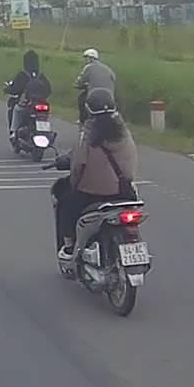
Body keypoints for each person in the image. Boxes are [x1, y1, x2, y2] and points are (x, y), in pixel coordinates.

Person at [54, 87, 139, 261]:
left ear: (88, 109)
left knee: (64, 201)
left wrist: (75, 185)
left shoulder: (87, 134)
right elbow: (131, 161)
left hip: (91, 195)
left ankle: (69, 246)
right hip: (123, 192)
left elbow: (78, 166)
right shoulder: (124, 132)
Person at [5, 49, 52, 138]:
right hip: (42, 104)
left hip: (28, 104)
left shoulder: (23, 75)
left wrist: (7, 89)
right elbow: (49, 89)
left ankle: (14, 131)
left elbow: (15, 89)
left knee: (16, 109)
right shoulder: (41, 76)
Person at [74, 48, 115, 124]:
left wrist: (79, 85)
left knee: (81, 98)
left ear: (91, 58)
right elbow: (113, 78)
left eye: (86, 58)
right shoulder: (107, 68)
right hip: (110, 96)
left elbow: (80, 82)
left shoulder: (88, 67)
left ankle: (82, 120)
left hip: (94, 95)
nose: (85, 60)